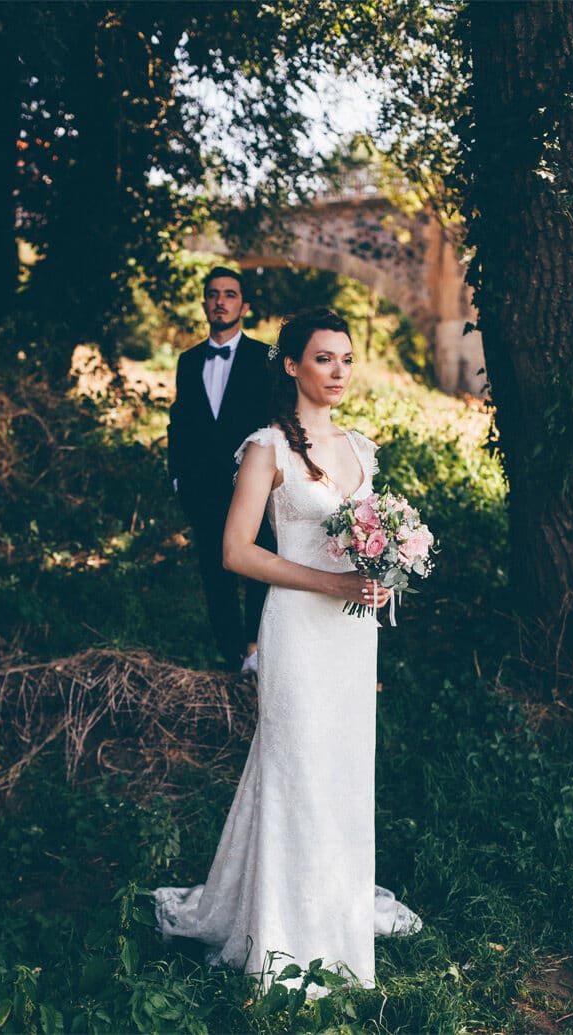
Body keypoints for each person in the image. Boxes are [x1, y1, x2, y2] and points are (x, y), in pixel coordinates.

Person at [154, 308, 421, 994]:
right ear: (293, 365)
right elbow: (235, 551)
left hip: (352, 635)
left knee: (342, 769)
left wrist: (383, 573)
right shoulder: (266, 447)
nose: (339, 371)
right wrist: (331, 582)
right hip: (297, 629)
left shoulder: (362, 448)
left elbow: (363, 540)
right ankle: (280, 928)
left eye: (347, 358)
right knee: (294, 763)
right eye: (324, 358)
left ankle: (334, 909)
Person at [168, 266, 273, 672]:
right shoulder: (188, 360)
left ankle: (257, 647)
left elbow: (277, 419)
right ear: (204, 304)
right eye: (213, 294)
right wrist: (178, 478)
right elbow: (179, 422)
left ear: (243, 306)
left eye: (230, 294)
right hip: (203, 488)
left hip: (253, 485)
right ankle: (233, 656)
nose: (220, 301)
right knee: (215, 570)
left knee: (261, 562)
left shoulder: (265, 357)